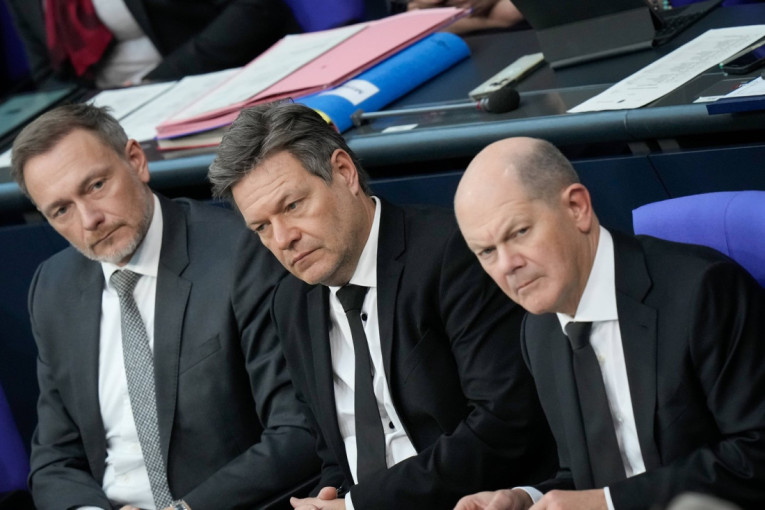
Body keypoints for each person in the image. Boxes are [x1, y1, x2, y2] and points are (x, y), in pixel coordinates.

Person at [207, 102, 557, 510]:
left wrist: (358, 505)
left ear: (344, 172)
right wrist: (329, 497)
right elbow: (336, 452)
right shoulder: (291, 303)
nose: (283, 239)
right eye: (262, 227)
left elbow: (503, 428)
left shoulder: (449, 255)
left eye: (292, 206)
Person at [10, 103, 321, 510]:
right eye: (61, 210)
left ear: (136, 161)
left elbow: (297, 431)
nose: (88, 220)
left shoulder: (239, 255)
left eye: (96, 186)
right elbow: (54, 460)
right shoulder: (53, 287)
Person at [453, 137, 765, 510]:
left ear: (577, 208)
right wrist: (526, 498)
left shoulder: (702, 291)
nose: (507, 265)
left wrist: (608, 502)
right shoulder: (538, 332)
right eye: (487, 251)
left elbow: (756, 453)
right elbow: (584, 475)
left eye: (519, 232)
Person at [6, 0, 298, 89]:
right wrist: (92, 117)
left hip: (219, 79)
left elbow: (254, 8)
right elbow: (48, 76)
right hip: (114, 119)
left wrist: (157, 81)